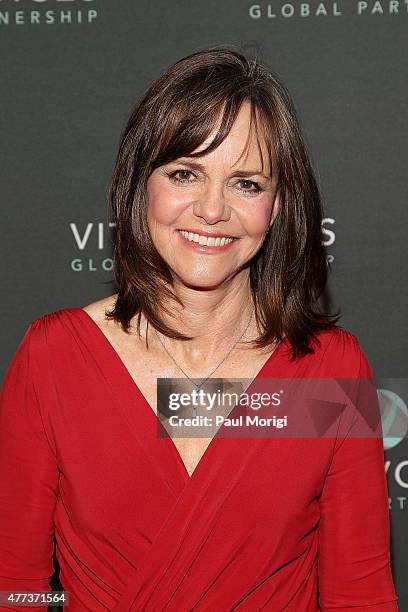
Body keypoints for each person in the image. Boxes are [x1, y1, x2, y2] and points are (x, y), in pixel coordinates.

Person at [0, 47, 398, 611]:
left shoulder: (328, 373)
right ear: (142, 186)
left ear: (278, 205)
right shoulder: (54, 359)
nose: (212, 209)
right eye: (185, 173)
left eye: (247, 184)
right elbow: (12, 585)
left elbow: (360, 597)